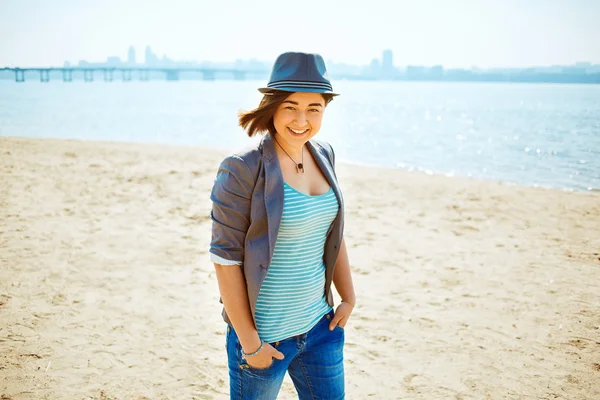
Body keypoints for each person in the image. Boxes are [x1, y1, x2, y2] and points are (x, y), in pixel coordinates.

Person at [209, 52, 356, 400]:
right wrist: (250, 343)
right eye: (290, 106)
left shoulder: (324, 154)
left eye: (313, 108)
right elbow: (225, 259)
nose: (301, 119)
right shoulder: (241, 167)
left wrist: (348, 297)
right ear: (271, 106)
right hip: (265, 340)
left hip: (321, 329)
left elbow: (330, 234)